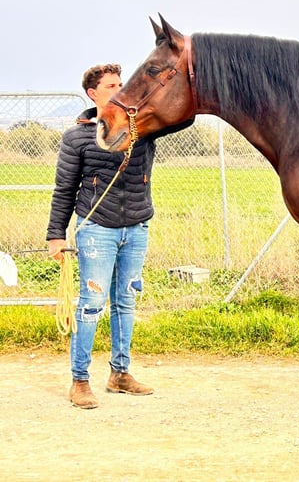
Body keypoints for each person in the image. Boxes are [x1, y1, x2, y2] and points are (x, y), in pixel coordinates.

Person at [47, 63, 192, 409]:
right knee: (92, 304)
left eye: (121, 83)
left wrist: (183, 82)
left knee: (126, 302)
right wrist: (56, 235)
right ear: (93, 93)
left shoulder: (142, 128)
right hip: (96, 230)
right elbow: (64, 189)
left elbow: (184, 118)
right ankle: (80, 381)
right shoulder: (78, 138)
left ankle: (120, 374)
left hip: (137, 227)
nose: (119, 88)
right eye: (111, 85)